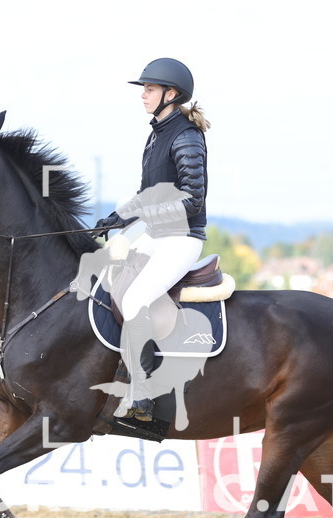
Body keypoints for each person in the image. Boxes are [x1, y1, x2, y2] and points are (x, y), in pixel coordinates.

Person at [95, 58, 211, 421]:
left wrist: (143, 216)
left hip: (182, 239)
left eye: (149, 89)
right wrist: (117, 218)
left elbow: (193, 200)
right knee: (105, 284)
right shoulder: (157, 133)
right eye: (144, 89)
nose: (143, 95)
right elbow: (148, 194)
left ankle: (144, 397)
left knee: (136, 300)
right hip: (156, 236)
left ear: (170, 94)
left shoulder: (187, 136)